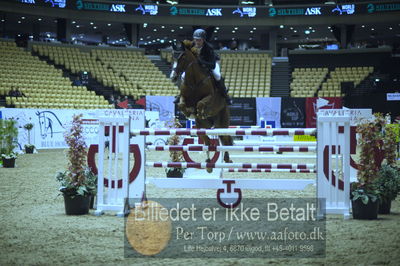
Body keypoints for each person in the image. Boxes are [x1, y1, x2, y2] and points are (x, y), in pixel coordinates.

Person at [171, 28, 231, 105]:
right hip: (197, 66)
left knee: (217, 75)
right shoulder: (191, 45)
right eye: (195, 39)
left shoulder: (208, 48)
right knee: (183, 76)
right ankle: (180, 95)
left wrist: (201, 62)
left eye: (199, 40)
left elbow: (212, 65)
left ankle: (225, 96)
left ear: (203, 40)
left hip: (211, 63)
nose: (197, 42)